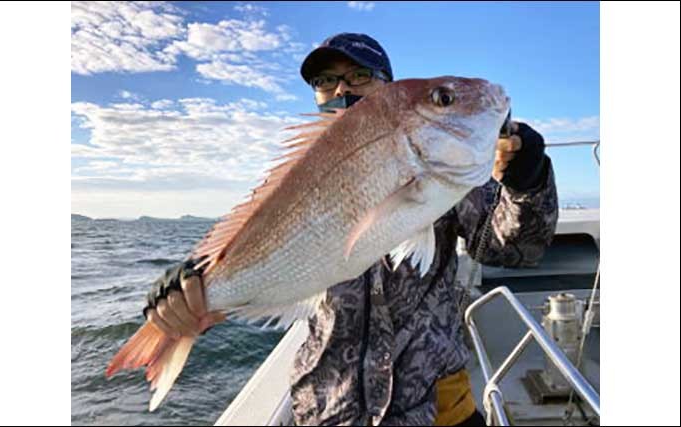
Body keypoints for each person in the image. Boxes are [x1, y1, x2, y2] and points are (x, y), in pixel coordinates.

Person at [143, 33, 558, 426]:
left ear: (390, 90)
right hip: (327, 406)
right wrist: (194, 282)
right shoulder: (297, 176)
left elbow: (512, 250)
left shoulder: (447, 173)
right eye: (326, 81)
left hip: (431, 405)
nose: (343, 90)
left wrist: (528, 182)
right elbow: (261, 242)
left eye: (360, 75)